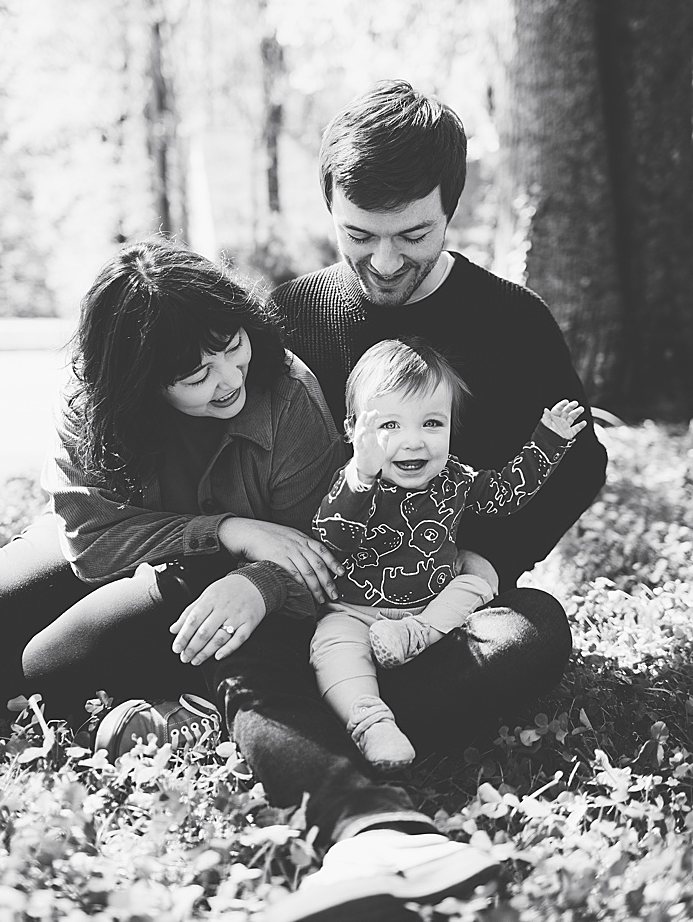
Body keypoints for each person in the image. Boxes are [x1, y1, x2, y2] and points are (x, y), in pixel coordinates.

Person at [260, 80, 608, 920]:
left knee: (535, 635)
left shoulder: (511, 321)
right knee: (42, 638)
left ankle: (280, 717)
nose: (384, 261)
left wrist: (491, 561)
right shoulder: (292, 314)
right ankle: (294, 700)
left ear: (451, 208)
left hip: (444, 592)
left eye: (414, 234)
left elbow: (580, 465)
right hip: (310, 589)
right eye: (359, 236)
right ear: (330, 210)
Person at [0, 238, 348, 728]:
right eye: (197, 377)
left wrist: (242, 563)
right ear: (140, 383)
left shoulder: (287, 395)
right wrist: (226, 528)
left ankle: (158, 710)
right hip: (116, 534)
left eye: (234, 346)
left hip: (207, 576)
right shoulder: (88, 401)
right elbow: (89, 542)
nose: (230, 379)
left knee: (46, 664)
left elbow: (315, 559)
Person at [310, 338, 585, 769]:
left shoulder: (455, 477)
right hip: (356, 610)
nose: (414, 442)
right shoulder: (356, 485)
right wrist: (360, 476)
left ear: (452, 426)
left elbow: (506, 495)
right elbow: (332, 537)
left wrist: (548, 441)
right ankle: (369, 721)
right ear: (354, 431)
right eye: (390, 426)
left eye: (432, 423)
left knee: (475, 582)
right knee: (332, 644)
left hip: (433, 614)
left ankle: (415, 637)